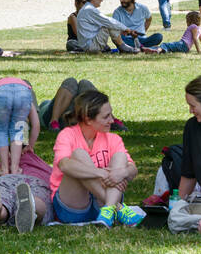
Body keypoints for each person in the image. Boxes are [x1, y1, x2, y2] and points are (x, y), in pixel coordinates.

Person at [50, 89, 143, 227]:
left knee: (120, 156)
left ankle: (107, 211)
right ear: (88, 119)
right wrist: (102, 173)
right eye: (106, 117)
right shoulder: (67, 135)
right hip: (74, 207)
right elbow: (64, 165)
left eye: (111, 114)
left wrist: (121, 173)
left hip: (100, 206)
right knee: (78, 155)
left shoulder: (113, 138)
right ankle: (117, 208)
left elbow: (133, 169)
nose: (112, 120)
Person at [0, 149, 54, 234]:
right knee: (38, 198)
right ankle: (33, 205)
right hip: (35, 181)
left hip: (2, 179)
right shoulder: (43, 166)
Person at [0, 76, 39, 175]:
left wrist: (4, 150)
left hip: (0, 92)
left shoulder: (0, 86)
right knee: (17, 130)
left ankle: (4, 168)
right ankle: (15, 168)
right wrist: (30, 146)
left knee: (1, 131)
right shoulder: (26, 96)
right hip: (23, 93)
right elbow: (36, 125)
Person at [73, 0, 143, 53]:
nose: (101, 0)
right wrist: (127, 29)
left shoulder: (87, 9)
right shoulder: (89, 10)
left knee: (110, 24)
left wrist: (121, 30)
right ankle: (123, 47)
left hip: (88, 45)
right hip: (90, 46)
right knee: (109, 25)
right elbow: (108, 21)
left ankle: (123, 47)